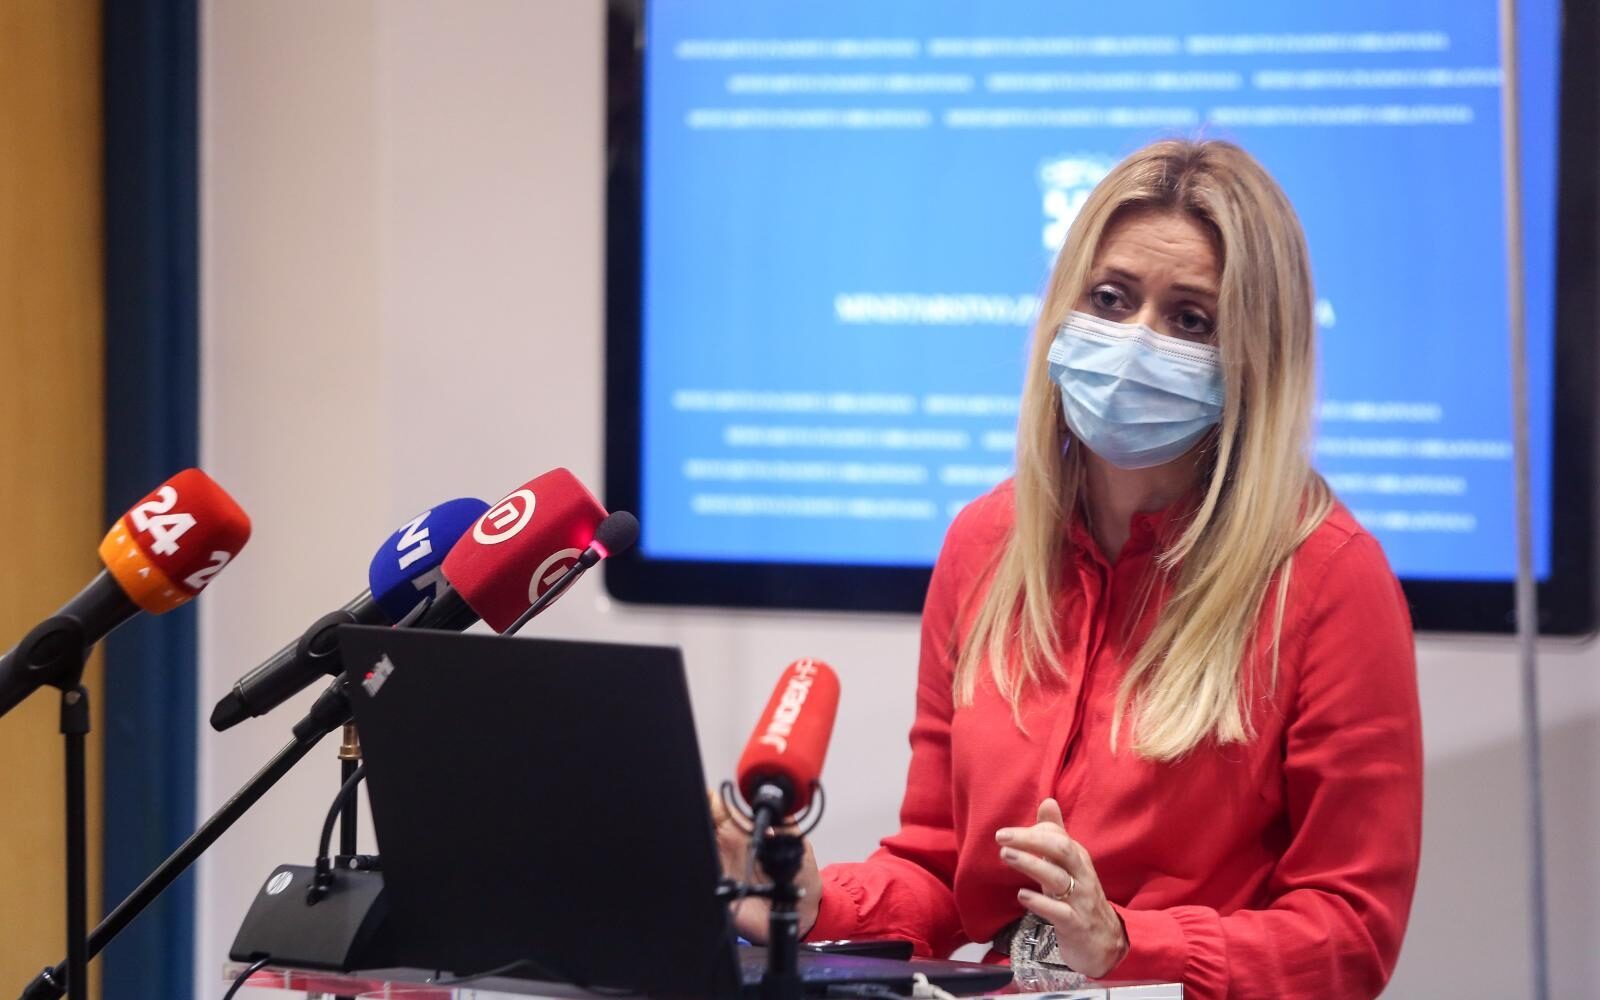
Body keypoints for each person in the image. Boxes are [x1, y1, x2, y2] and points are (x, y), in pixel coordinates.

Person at [712, 138, 1423, 1000]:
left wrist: (1126, 943)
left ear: (1254, 355)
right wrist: (814, 900)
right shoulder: (986, 543)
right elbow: (941, 869)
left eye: (1190, 319)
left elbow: (1350, 936)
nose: (1135, 341)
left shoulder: (1330, 579)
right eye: (1111, 299)